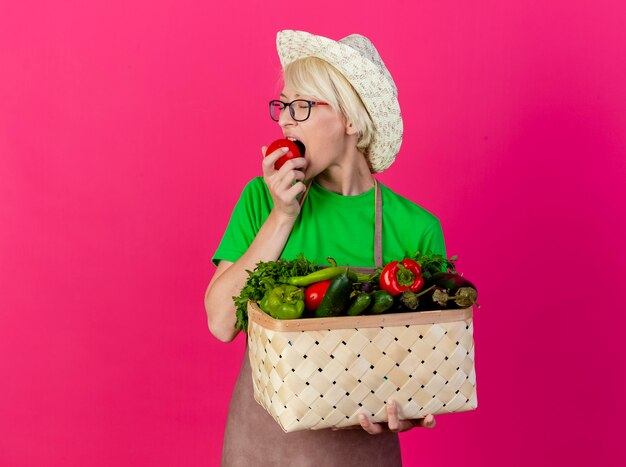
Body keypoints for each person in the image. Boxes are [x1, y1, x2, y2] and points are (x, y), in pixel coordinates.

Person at [205, 30, 446, 466]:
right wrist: (282, 217)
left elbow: (423, 365)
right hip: (263, 448)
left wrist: (408, 409)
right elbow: (221, 323)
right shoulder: (261, 200)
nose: (284, 122)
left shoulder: (417, 229)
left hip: (360, 451)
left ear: (351, 120)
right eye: (283, 106)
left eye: (302, 106)